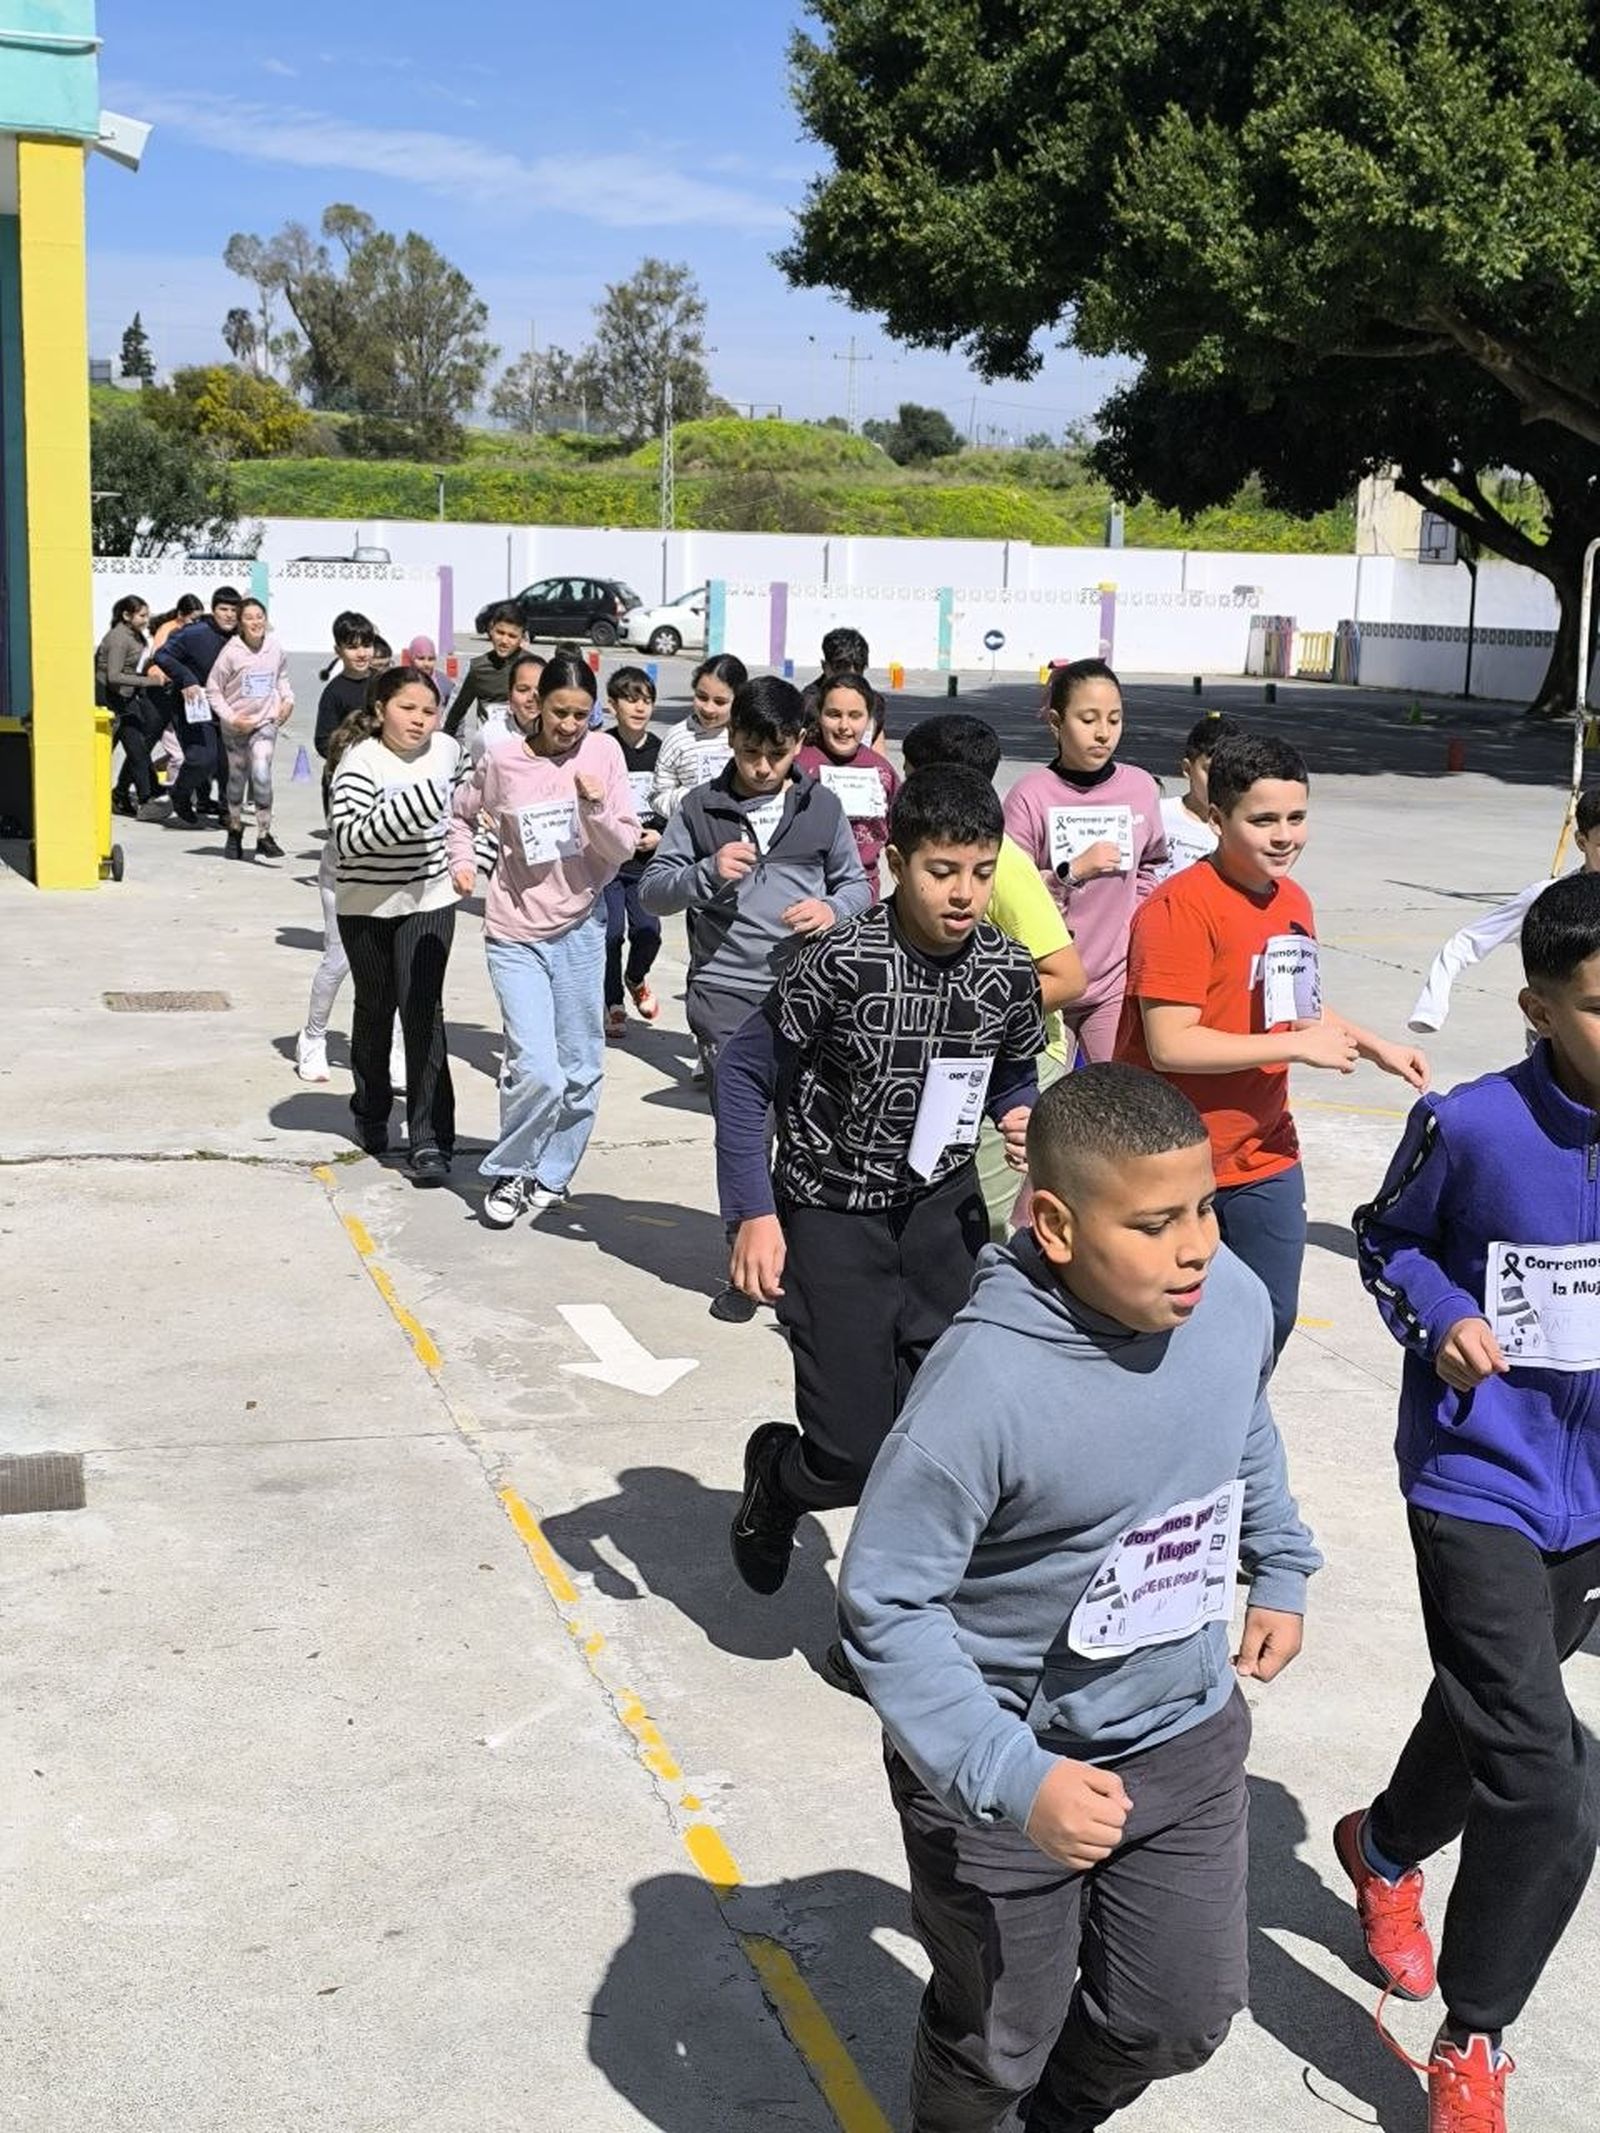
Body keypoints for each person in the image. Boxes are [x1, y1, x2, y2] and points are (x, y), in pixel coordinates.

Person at [837, 1063, 1320, 2133]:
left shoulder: (1229, 1300)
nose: (1196, 1246)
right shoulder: (980, 1389)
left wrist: (1279, 1561)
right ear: (1053, 1225)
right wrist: (1013, 1776)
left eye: (1204, 1207)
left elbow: (1241, 1421)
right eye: (1153, 1224)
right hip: (1013, 1760)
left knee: (1177, 2020)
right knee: (996, 2041)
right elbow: (885, 1605)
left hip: (1185, 1733)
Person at [1343, 870, 1600, 2133]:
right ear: (1539, 1009)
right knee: (1548, 1780)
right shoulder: (1473, 1126)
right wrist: (1442, 1315)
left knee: (1491, 1703)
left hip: (1590, 1499)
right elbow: (1384, 1238)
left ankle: (1383, 1847)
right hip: (1475, 1478)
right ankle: (1475, 2033)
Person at [712, 764, 1048, 1586]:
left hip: (943, 1215)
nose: (964, 893)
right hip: (832, 1215)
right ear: (896, 862)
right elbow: (745, 1072)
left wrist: (1021, 1115)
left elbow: (1011, 1072)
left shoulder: (1007, 968)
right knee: (853, 1453)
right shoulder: (839, 959)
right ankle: (780, 1478)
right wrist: (753, 1212)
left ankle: (892, 1615)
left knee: (944, 1439)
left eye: (981, 871)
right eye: (942, 870)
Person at [1116, 732, 1428, 1354]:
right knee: (1165, 1324)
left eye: (1296, 817)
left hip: (1264, 1152)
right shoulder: (1179, 908)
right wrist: (1292, 1049)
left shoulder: (1293, 901)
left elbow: (1297, 1007)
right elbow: (1171, 1043)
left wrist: (1376, 1047)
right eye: (1263, 821)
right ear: (1216, 819)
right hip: (1170, 1155)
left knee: (1271, 1316)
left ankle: (1240, 1414)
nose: (1284, 836)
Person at [446, 652, 639, 1227]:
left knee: (580, 1068)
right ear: (536, 706)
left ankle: (552, 1171)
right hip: (514, 929)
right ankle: (512, 1169)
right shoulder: (503, 760)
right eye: (559, 712)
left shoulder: (604, 754)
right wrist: (463, 862)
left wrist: (594, 806)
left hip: (581, 927)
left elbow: (623, 846)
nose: (569, 725)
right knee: (535, 1068)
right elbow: (460, 814)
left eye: (582, 714)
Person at [640, 673, 871, 1103]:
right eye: (750, 752)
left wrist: (831, 910)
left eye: (777, 754)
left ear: (799, 742)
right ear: (731, 737)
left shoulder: (822, 806)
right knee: (745, 1122)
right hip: (722, 991)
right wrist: (705, 872)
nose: (763, 767)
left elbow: (857, 887)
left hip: (805, 990)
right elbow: (652, 893)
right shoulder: (699, 807)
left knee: (800, 1121)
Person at [902, 712, 1087, 1239]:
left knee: (976, 1218)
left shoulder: (1000, 866)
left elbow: (1068, 977)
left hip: (1015, 1061)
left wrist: (970, 1014)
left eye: (910, 776)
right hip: (957, 1059)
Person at [328, 666, 464, 1184]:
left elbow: (470, 812)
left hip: (430, 896)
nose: (419, 720)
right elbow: (350, 838)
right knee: (376, 1006)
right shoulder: (360, 761)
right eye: (408, 708)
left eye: (429, 711)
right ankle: (370, 1108)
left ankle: (430, 1139)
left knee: (423, 1009)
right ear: (381, 708)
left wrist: (471, 858)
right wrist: (421, 802)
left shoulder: (448, 751)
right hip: (366, 904)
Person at [1002, 658, 1167, 1061]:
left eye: (1114, 719)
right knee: (1044, 1093)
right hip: (1047, 975)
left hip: (1113, 979)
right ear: (1056, 723)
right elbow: (1008, 890)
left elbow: (1152, 863)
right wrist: (1071, 873)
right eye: (1088, 719)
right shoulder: (1030, 795)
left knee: (1114, 1090)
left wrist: (1132, 920)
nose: (1103, 733)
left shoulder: (1140, 787)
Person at [1409, 788, 1600, 1034]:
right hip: (1556, 1036)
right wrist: (1431, 1007)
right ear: (1582, 842)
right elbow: (1467, 941)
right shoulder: (1547, 899)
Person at [294, 699, 407, 1096]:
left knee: (397, 969)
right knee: (340, 959)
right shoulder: (347, 773)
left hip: (394, 879)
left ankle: (394, 1050)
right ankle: (313, 1037)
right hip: (343, 877)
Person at [601, 665, 665, 1037]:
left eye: (647, 700)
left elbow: (672, 802)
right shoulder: (602, 747)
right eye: (630, 699)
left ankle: (636, 977)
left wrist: (661, 835)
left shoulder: (661, 751)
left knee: (648, 931)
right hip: (610, 862)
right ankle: (613, 1003)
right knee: (610, 934)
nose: (640, 707)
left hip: (646, 865)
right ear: (612, 705)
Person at [205, 596, 293, 861]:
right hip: (236, 727)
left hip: (265, 721)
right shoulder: (231, 653)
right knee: (237, 778)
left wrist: (288, 700)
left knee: (262, 773)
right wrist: (232, 718)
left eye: (260, 617)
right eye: (249, 618)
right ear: (240, 623)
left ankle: (264, 834)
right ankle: (234, 829)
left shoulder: (274, 647)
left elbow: (281, 677)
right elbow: (213, 690)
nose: (256, 622)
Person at [795, 670, 899, 895]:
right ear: (819, 715)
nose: (844, 726)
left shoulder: (882, 771)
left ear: (868, 720)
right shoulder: (798, 766)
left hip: (863, 892)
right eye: (834, 714)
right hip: (805, 890)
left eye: (855, 715)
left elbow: (900, 834)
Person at [152, 585, 241, 825]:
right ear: (214, 609)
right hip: (195, 703)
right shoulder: (195, 633)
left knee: (230, 761)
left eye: (234, 610)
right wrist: (186, 678)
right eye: (223, 609)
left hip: (230, 707)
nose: (229, 615)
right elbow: (162, 655)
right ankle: (180, 793)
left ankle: (227, 810)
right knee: (202, 758)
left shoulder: (242, 636)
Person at [649, 653, 749, 817]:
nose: (708, 708)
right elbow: (658, 795)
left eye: (720, 702)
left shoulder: (748, 737)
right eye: (702, 697)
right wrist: (688, 803)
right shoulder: (677, 737)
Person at [96, 595, 168, 817]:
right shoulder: (119, 638)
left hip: (125, 698)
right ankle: (140, 797)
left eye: (147, 615)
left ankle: (141, 797)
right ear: (126, 616)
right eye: (142, 616)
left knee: (138, 748)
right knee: (118, 749)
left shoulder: (134, 635)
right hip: (111, 699)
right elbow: (114, 676)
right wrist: (149, 681)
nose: (146, 620)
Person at [1159, 711, 1242, 880]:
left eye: (1228, 771)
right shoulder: (1158, 814)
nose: (1219, 781)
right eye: (1210, 770)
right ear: (1187, 769)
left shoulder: (1238, 829)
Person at [444, 603, 524, 741]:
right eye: (500, 633)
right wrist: (451, 744)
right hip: (487, 748)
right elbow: (456, 712)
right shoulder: (477, 668)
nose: (504, 641)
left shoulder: (534, 667)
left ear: (522, 637)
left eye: (512, 636)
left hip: (523, 747)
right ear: (491, 630)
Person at [146, 594, 203, 788]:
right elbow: (157, 662)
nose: (196, 624)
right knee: (176, 754)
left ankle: (154, 777)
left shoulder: (190, 632)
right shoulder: (167, 630)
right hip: (162, 697)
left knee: (185, 751)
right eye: (193, 619)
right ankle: (172, 790)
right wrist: (178, 677)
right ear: (180, 615)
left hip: (181, 698)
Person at [801, 624, 888, 744]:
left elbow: (878, 748)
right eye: (841, 668)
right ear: (825, 666)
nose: (850, 677)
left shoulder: (875, 703)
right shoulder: (807, 704)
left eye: (858, 668)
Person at [314, 614, 376, 759]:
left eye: (367, 646)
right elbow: (323, 741)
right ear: (338, 651)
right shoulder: (334, 692)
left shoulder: (384, 681)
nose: (362, 653)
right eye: (352, 647)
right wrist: (350, 755)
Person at [406, 634, 454, 712]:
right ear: (411, 658)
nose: (426, 664)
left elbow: (454, 712)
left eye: (431, 659)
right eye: (421, 658)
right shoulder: (401, 680)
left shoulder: (444, 683)